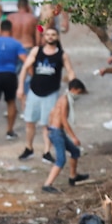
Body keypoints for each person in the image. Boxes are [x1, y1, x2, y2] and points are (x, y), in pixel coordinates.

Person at [17, 27, 75, 162]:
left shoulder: (62, 55)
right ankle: (29, 148)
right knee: (29, 122)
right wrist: (20, 87)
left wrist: (72, 88)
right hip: (34, 92)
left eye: (53, 34)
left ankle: (46, 151)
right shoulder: (36, 51)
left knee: (47, 125)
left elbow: (70, 71)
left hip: (51, 93)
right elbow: (25, 68)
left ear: (57, 37)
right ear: (44, 37)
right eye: (47, 34)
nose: (50, 37)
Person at [40, 79, 88, 193]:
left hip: (56, 131)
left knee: (75, 152)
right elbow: (64, 120)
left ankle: (73, 176)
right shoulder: (65, 101)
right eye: (79, 92)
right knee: (61, 160)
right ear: (74, 90)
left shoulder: (62, 98)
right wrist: (74, 137)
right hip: (57, 133)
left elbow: (52, 114)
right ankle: (47, 184)